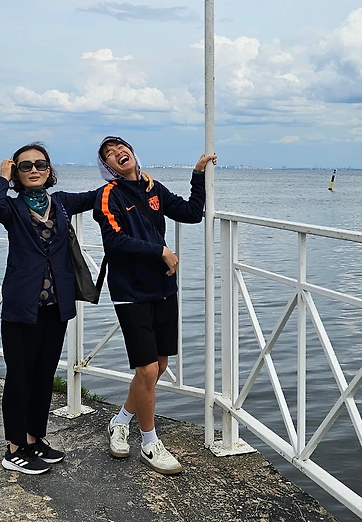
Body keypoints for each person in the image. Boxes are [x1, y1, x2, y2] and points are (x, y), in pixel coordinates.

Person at [92, 135, 215, 475]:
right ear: (107, 167)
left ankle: (121, 421)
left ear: (132, 153)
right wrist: (160, 250)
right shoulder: (109, 195)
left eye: (121, 148)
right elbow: (115, 241)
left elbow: (192, 214)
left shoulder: (153, 188)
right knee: (146, 370)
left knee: (159, 366)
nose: (118, 153)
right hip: (131, 291)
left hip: (163, 288)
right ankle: (149, 442)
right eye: (109, 154)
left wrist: (198, 174)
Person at [0, 142, 98, 475]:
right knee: (19, 375)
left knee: (44, 374)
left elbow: (96, 196)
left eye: (40, 164)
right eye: (25, 166)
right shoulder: (12, 207)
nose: (34, 170)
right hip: (23, 306)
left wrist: (130, 176)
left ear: (49, 170)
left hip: (55, 305)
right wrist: (2, 177)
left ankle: (34, 439)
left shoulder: (61, 203)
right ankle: (14, 447)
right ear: (16, 173)